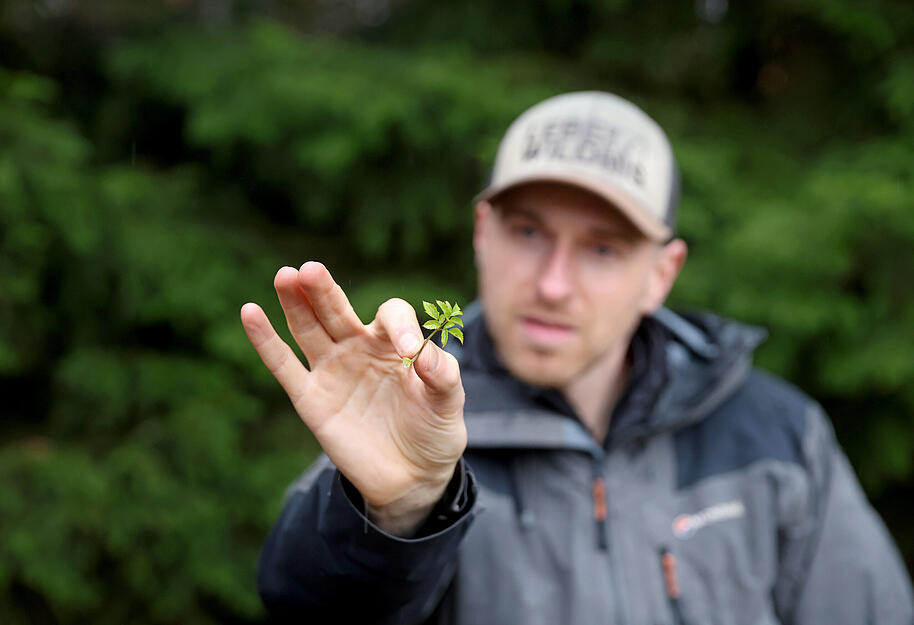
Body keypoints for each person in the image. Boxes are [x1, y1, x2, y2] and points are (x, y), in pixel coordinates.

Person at [240, 92, 914, 625]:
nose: (553, 284)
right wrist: (398, 515)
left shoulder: (779, 438)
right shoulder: (408, 412)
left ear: (662, 272)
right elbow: (306, 604)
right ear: (482, 232)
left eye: (602, 247)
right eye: (528, 231)